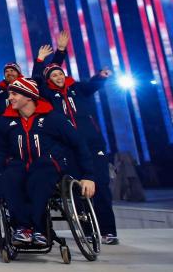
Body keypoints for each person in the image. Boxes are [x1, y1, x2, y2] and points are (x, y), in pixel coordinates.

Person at [30, 30, 120, 244]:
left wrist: (101, 76)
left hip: (93, 144)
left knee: (100, 186)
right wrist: (42, 60)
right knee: (77, 188)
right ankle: (88, 230)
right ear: (49, 80)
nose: (58, 77)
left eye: (60, 73)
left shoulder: (78, 88)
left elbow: (94, 84)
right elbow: (35, 80)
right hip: (68, 148)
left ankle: (108, 230)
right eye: (53, 76)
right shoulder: (48, 95)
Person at [0, 78, 97, 246]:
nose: (10, 98)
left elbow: (78, 145)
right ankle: (23, 228)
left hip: (47, 165)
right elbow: (1, 152)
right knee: (9, 179)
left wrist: (88, 175)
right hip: (19, 164)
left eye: (14, 94)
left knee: (38, 179)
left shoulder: (53, 119)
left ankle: (40, 229)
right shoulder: (6, 122)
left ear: (28, 96)